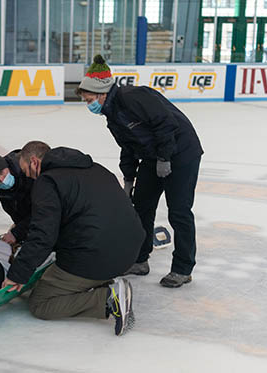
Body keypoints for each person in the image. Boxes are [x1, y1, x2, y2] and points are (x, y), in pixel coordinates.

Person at [76, 55, 204, 288]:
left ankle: (183, 269)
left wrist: (165, 158)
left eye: (89, 99)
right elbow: (128, 146)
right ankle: (140, 259)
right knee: (141, 207)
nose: (89, 105)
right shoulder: (111, 114)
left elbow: (166, 123)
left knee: (179, 211)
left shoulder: (133, 97)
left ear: (102, 93)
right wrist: (128, 178)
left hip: (181, 152)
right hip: (152, 155)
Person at [3, 141, 145, 336]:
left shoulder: (48, 181)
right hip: (131, 250)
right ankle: (102, 283)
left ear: (34, 162)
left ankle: (107, 298)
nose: (30, 178)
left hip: (96, 255)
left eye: (28, 171)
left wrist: (17, 274)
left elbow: (43, 235)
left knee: (40, 303)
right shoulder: (96, 169)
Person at [0, 150, 34, 245]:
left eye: (1, 173)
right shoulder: (3, 193)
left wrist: (16, 233)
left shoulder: (30, 174)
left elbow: (43, 212)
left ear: (7, 167)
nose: (2, 180)